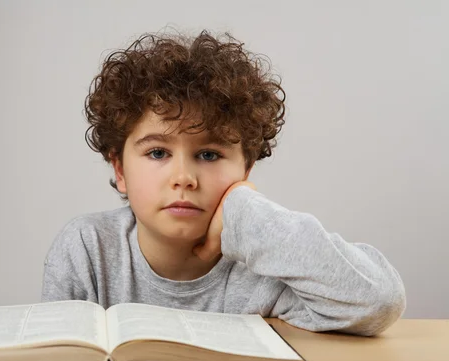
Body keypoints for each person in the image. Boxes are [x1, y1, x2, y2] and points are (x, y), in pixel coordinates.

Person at [41, 30, 406, 336]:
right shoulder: (87, 250)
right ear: (120, 170)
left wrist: (248, 214)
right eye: (157, 153)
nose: (183, 178)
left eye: (209, 155)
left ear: (245, 172)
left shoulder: (265, 264)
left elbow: (379, 301)